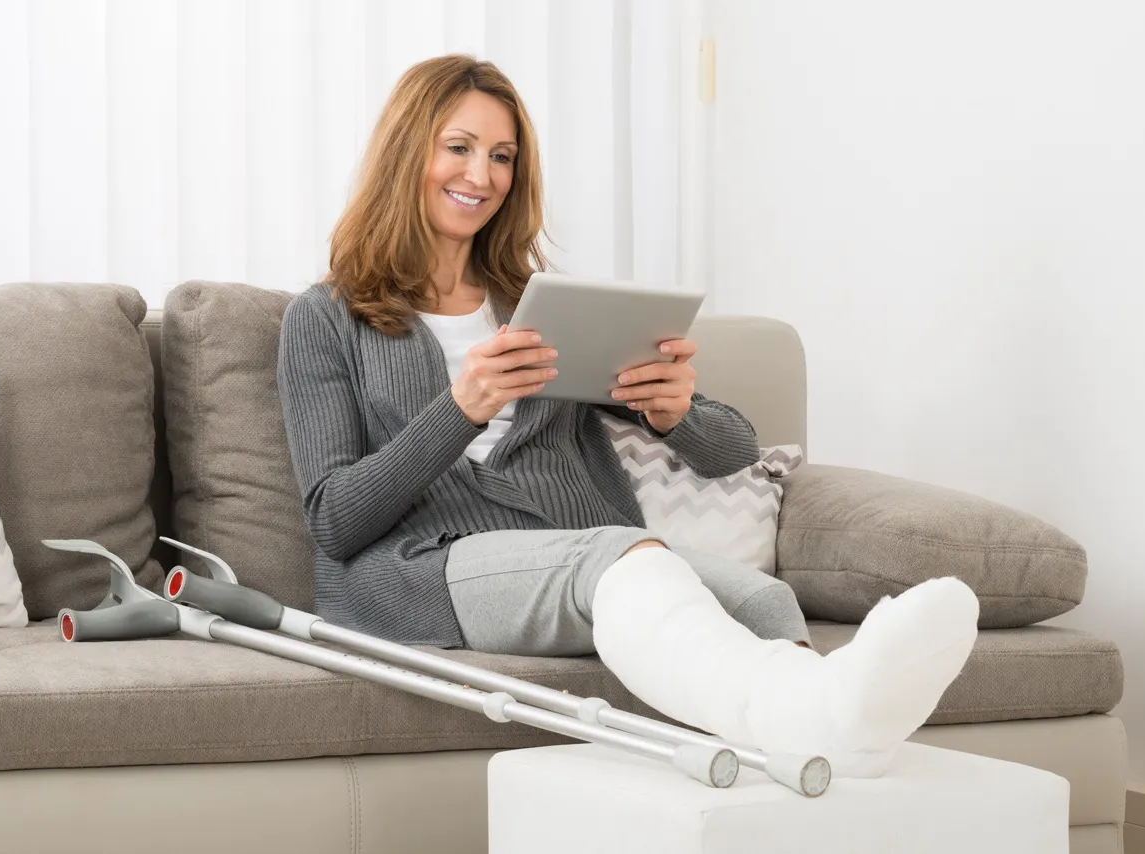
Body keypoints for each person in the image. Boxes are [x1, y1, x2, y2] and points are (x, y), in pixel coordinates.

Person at [277, 54, 979, 777]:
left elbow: (734, 450)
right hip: (423, 572)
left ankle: (828, 750)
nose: (481, 176)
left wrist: (676, 413)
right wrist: (461, 410)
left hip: (580, 554)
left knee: (762, 598)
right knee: (617, 556)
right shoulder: (327, 320)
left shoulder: (543, 308)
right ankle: (818, 721)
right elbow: (334, 518)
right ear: (407, 151)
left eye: (502, 156)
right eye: (458, 148)